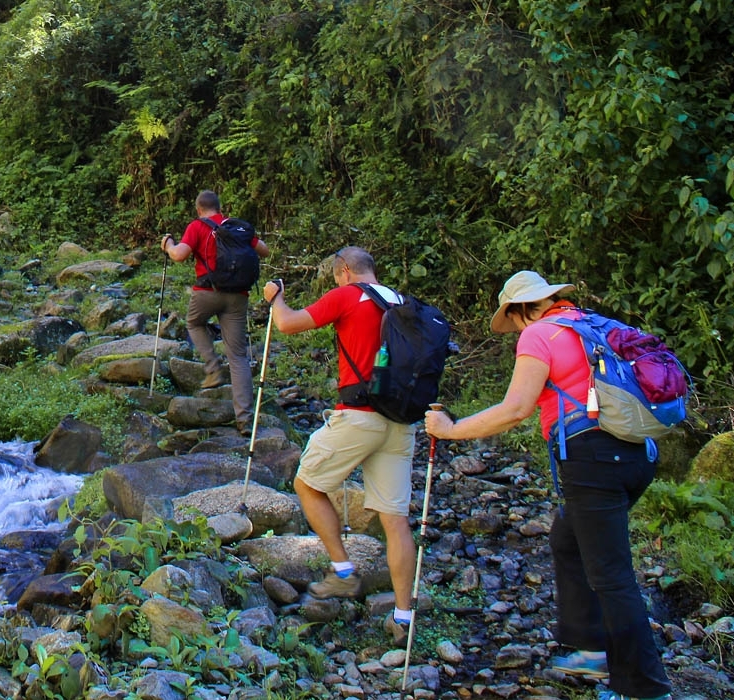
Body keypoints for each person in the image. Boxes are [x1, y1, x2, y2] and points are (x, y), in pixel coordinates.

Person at [424, 271, 672, 700]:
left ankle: (645, 688)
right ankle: (591, 649)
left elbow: (515, 408)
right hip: (637, 456)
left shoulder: (539, 335)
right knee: (567, 540)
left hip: (593, 462)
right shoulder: (598, 325)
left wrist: (451, 429)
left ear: (519, 310)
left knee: (612, 577)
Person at [260, 246, 417, 647]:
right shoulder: (402, 301)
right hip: (400, 421)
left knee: (307, 484)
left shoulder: (349, 295)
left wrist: (275, 297)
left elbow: (289, 324)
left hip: (358, 415)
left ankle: (343, 572)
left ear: (345, 271)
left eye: (335, 276)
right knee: (395, 520)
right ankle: (402, 617)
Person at [161, 190, 270, 435]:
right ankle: (244, 420)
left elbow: (179, 255)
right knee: (238, 356)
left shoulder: (197, 226)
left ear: (199, 209)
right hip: (238, 297)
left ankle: (212, 368)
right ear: (220, 208)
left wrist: (168, 244)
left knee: (194, 323)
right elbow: (264, 250)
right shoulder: (234, 227)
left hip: (207, 292)